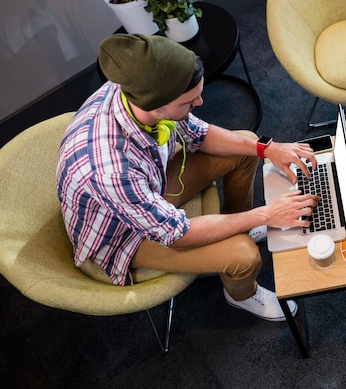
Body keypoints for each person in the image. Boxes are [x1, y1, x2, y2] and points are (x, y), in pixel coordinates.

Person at [56, 33, 320, 321]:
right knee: (244, 257)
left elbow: (199, 134)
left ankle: (237, 225)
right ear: (158, 107)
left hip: (148, 188)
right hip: (123, 235)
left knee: (246, 143)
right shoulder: (111, 171)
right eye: (190, 101)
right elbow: (178, 235)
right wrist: (266, 215)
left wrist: (266, 148)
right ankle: (240, 293)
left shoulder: (139, 90)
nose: (202, 102)